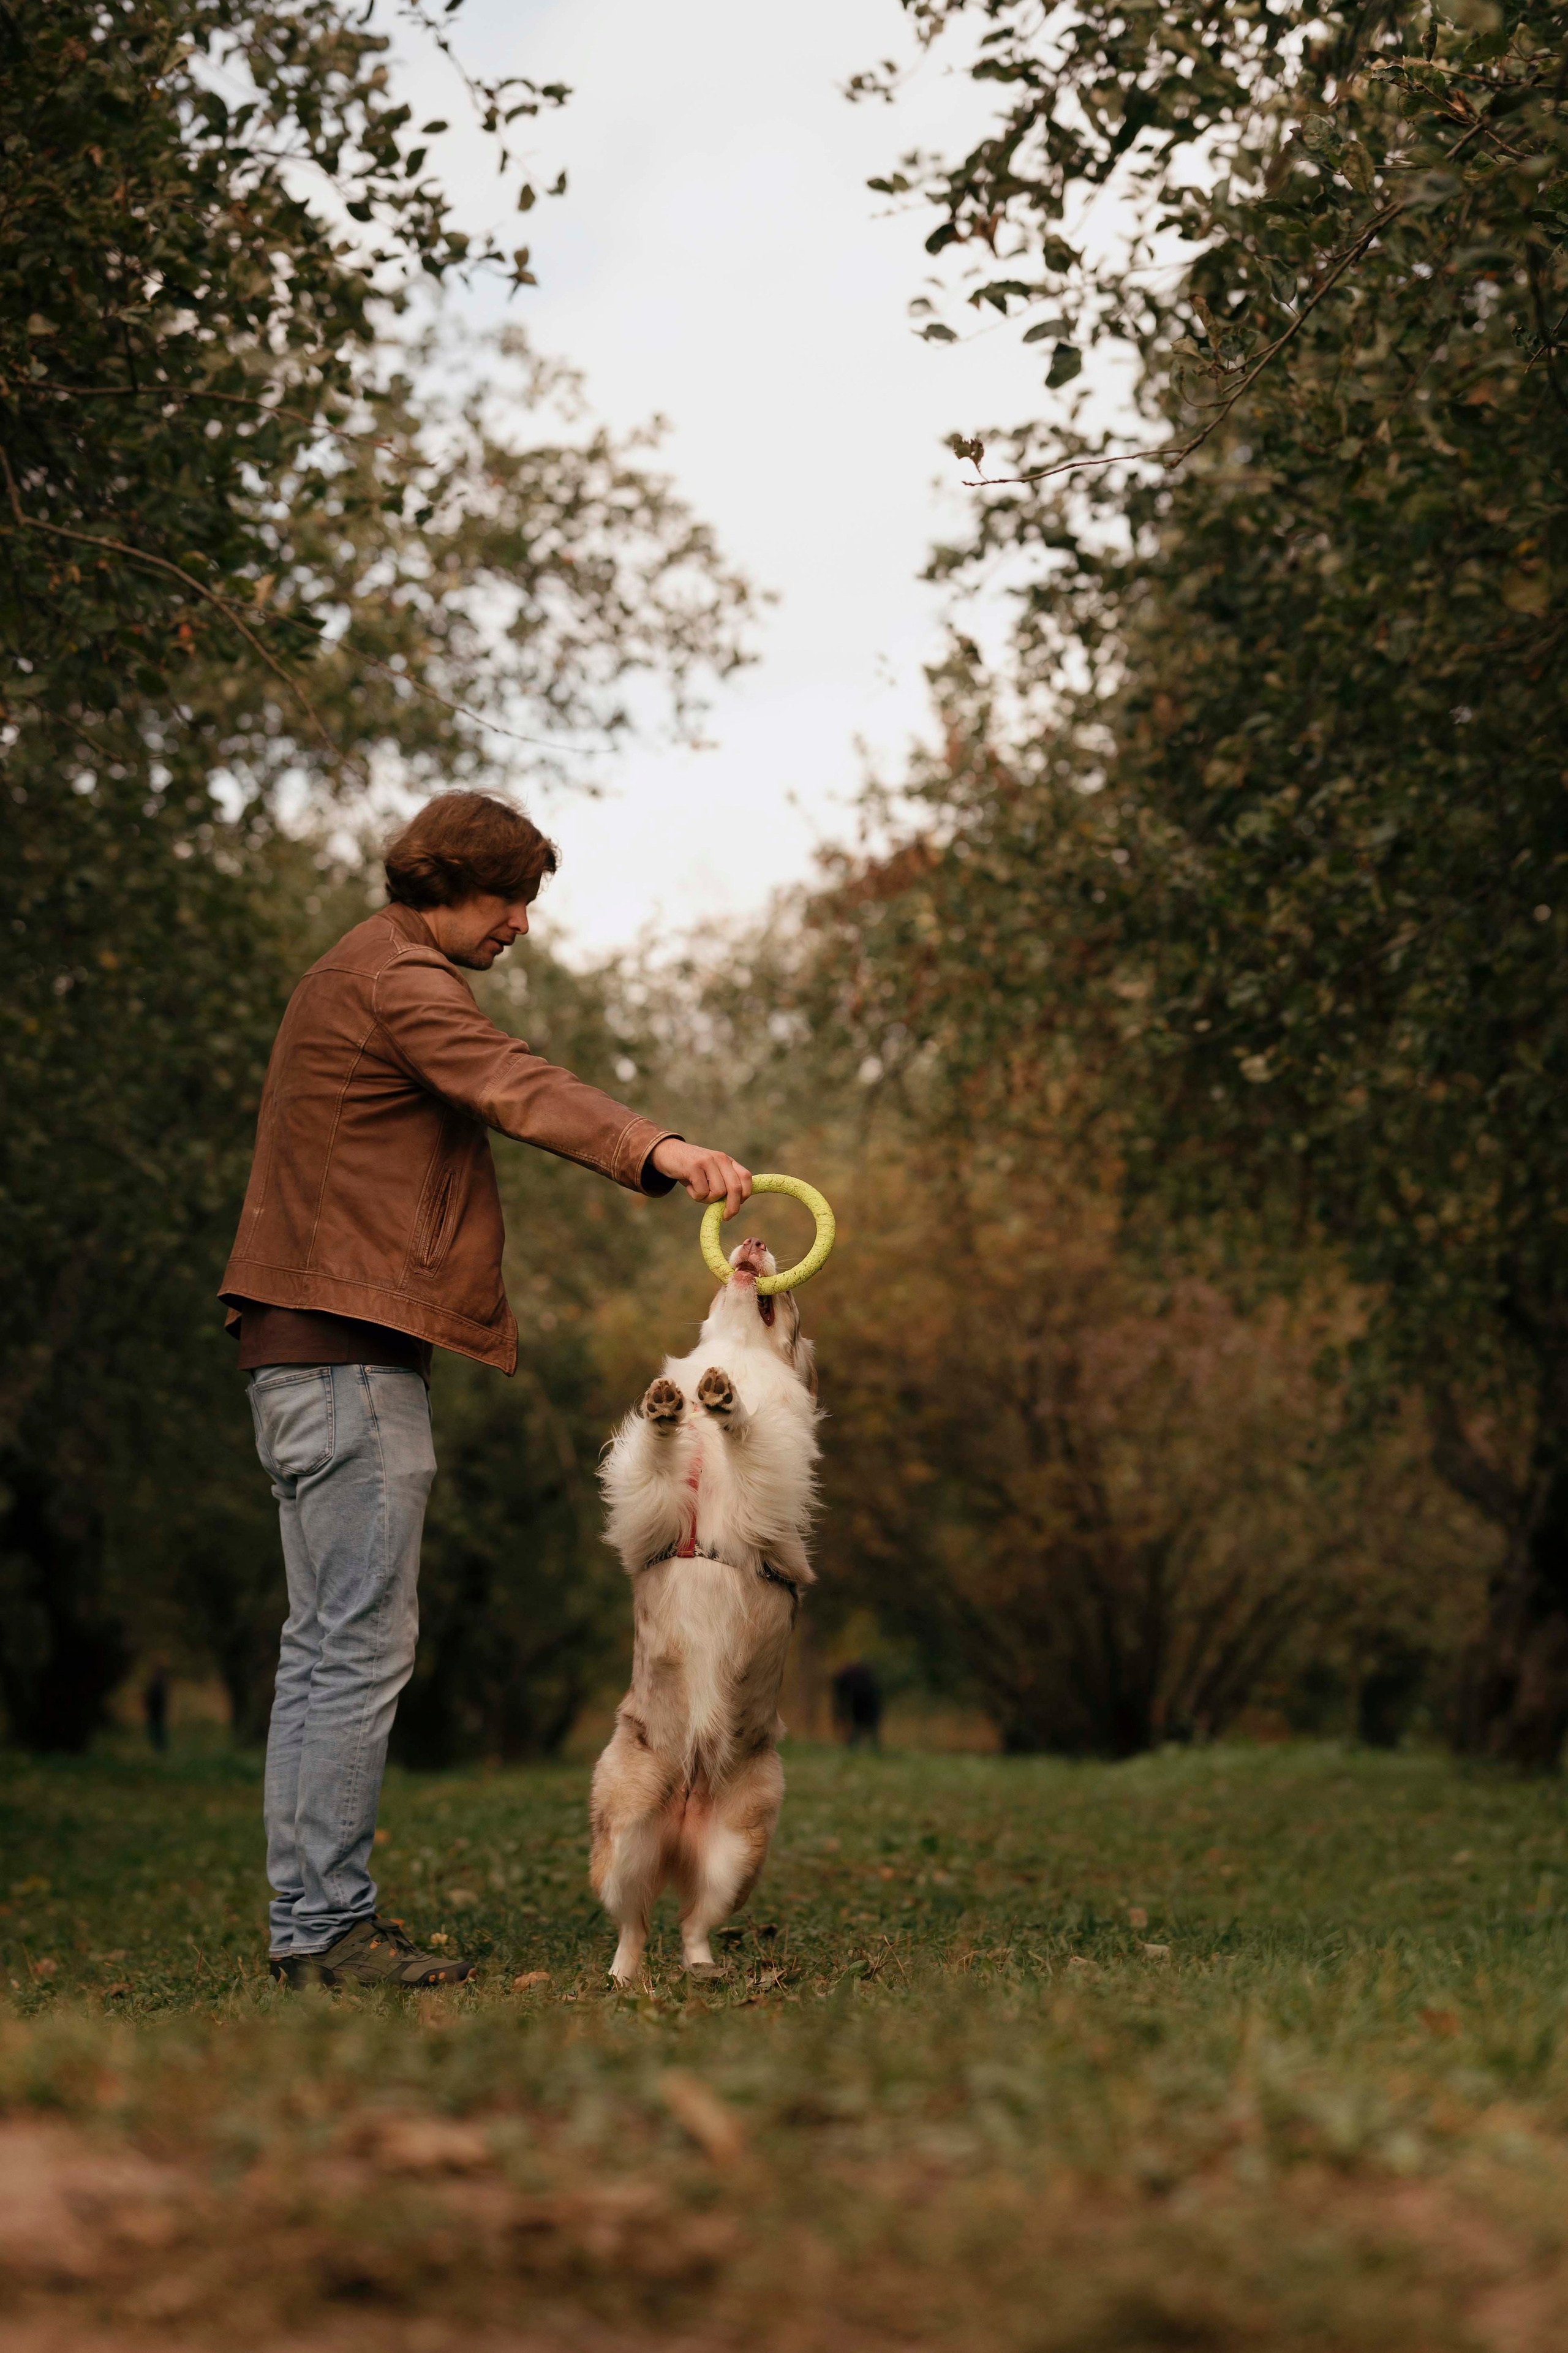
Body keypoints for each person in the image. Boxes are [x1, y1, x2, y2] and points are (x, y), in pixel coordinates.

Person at [220, 791, 752, 1990]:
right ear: (447, 881)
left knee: (329, 1643)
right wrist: (659, 1151)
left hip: (320, 1348)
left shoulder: (357, 971)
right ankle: (323, 1933)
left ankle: (315, 1927)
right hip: (341, 1355)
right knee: (353, 1645)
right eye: (507, 897)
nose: (519, 923)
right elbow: (510, 1080)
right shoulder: (400, 981)